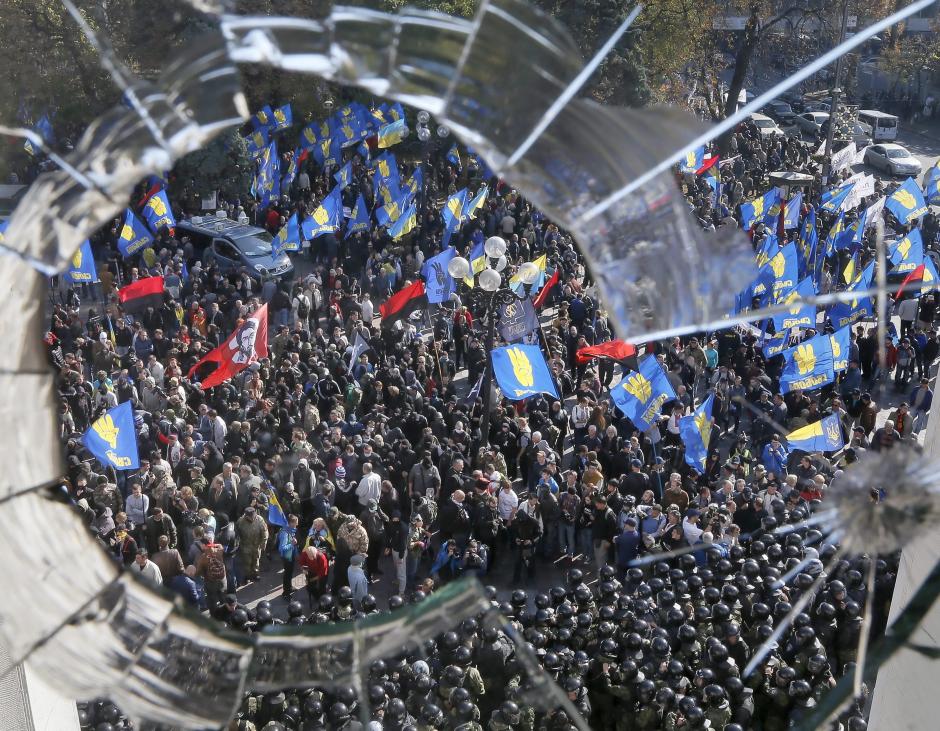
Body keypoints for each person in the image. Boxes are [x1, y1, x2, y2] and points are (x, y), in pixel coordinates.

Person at [277, 513, 300, 599]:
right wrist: (292, 544)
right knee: (287, 574)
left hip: (291, 556)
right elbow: (282, 548)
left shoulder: (291, 530)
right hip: (287, 557)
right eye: (296, 522)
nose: (297, 524)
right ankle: (286, 592)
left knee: (290, 573)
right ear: (291, 523)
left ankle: (289, 587)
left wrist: (296, 554)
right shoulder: (285, 534)